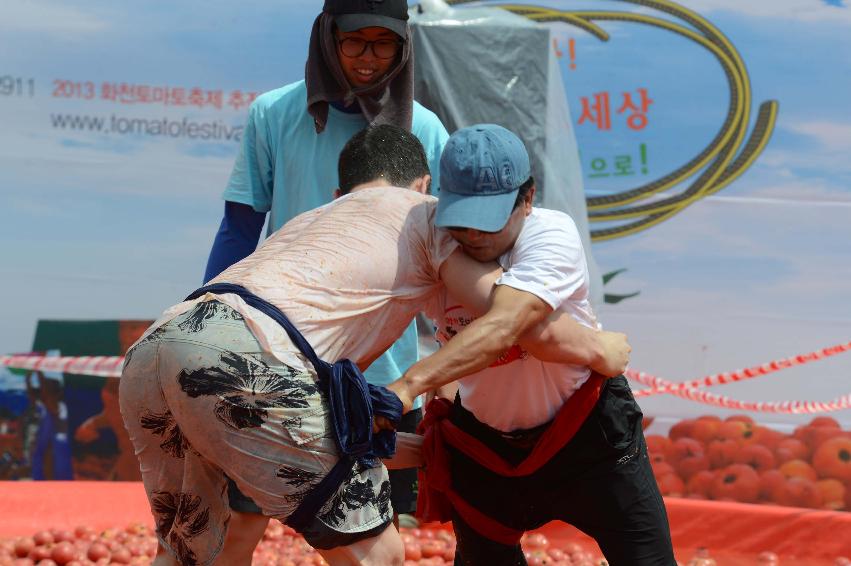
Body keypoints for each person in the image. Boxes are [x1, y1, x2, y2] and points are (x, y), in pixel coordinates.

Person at [120, 124, 630, 566]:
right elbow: (516, 321)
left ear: (343, 188)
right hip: (246, 353)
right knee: (377, 555)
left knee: (187, 549)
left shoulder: (313, 221)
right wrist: (598, 347)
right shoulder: (426, 218)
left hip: (159, 346)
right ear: (428, 186)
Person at [204, 0, 449, 548]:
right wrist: (210, 324)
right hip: (279, 353)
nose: (367, 58)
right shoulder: (274, 113)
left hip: (384, 368)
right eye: (352, 42)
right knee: (243, 517)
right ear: (325, 37)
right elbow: (241, 228)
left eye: (382, 43)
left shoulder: (427, 129)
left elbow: (446, 247)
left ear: (404, 47)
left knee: (385, 528)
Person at [385, 124, 676, 565]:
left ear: (528, 198)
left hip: (587, 436)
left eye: (490, 221)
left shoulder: (551, 234)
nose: (474, 235)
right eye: (462, 220)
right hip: (485, 447)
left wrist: (408, 385)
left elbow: (509, 323)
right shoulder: (435, 240)